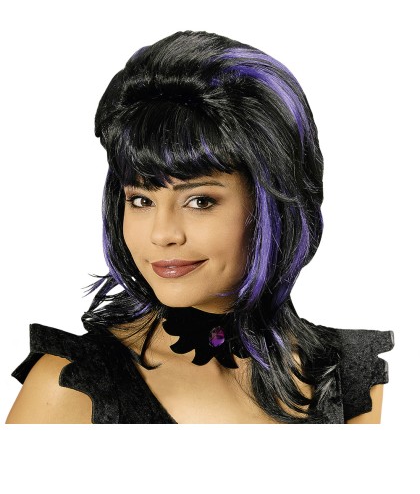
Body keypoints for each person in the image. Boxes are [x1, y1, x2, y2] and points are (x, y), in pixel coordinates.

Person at [6, 30, 394, 424]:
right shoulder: (71, 385)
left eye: (200, 201)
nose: (162, 234)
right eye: (141, 200)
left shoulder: (352, 379)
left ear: (274, 207)